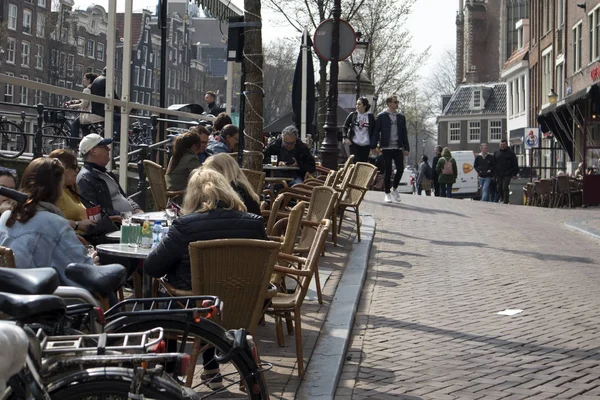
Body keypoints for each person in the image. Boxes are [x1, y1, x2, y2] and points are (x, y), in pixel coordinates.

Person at [145, 168, 267, 291]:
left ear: (192, 196)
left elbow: (152, 268)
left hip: (192, 304)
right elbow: (266, 266)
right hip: (245, 303)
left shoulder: (184, 226)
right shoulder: (254, 224)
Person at [0, 158, 98, 285]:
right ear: (56, 189)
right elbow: (84, 273)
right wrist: (92, 263)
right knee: (105, 288)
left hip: (8, 293)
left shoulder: (6, 217)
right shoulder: (55, 224)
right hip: (39, 296)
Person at [77, 134, 143, 216]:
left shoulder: (107, 173)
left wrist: (136, 208)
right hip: (116, 225)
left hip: (128, 219)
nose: (108, 149)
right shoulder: (85, 179)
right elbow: (96, 212)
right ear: (93, 151)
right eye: (104, 147)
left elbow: (123, 196)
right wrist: (125, 216)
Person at [373, 95, 410, 203]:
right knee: (388, 170)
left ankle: (394, 188)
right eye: (395, 102)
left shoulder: (401, 117)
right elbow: (376, 131)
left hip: (397, 147)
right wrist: (374, 145)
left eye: (397, 102)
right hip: (386, 147)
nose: (397, 104)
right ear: (389, 103)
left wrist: (406, 148)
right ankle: (387, 193)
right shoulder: (381, 116)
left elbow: (404, 134)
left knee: (401, 169)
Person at [68, 73, 103, 148]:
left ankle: (73, 146)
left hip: (89, 115)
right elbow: (85, 100)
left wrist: (72, 106)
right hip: (97, 114)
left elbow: (84, 104)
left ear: (89, 80)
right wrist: (74, 101)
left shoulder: (87, 90)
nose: (83, 80)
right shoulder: (95, 89)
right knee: (84, 129)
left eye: (84, 78)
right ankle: (87, 145)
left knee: (75, 124)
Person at [90, 67, 121, 136]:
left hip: (95, 108)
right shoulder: (106, 81)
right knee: (119, 117)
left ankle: (105, 133)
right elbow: (114, 96)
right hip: (102, 109)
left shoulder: (97, 79)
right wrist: (121, 105)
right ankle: (115, 136)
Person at [343, 97, 375, 163]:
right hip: (354, 143)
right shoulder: (353, 115)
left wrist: (374, 143)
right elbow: (345, 127)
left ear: (364, 106)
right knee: (356, 162)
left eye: (359, 104)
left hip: (366, 144)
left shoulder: (370, 116)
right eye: (356, 104)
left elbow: (374, 130)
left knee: (363, 163)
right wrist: (345, 137)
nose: (357, 106)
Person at [493, 139, 519, 204]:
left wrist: (515, 173)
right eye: (501, 144)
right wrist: (494, 174)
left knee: (505, 186)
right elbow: (493, 163)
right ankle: (502, 197)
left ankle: (506, 200)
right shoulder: (496, 153)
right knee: (499, 187)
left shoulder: (510, 153)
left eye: (503, 144)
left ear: (506, 144)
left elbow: (514, 163)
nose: (502, 146)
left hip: (507, 173)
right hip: (499, 173)